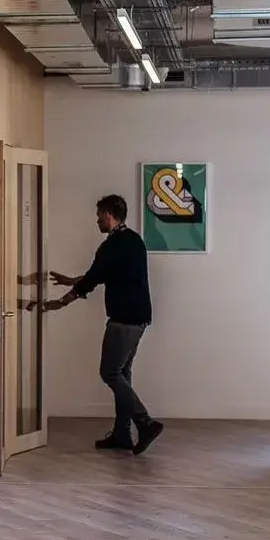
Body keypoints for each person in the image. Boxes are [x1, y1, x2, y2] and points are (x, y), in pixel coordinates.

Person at [46, 194, 163, 454]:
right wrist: (71, 281)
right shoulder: (133, 240)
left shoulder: (112, 245)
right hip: (139, 319)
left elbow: (94, 277)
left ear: (109, 215)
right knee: (122, 374)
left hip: (123, 320)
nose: (97, 220)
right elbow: (104, 273)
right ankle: (122, 434)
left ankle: (145, 422)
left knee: (109, 373)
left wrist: (61, 302)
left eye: (99, 215)